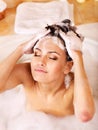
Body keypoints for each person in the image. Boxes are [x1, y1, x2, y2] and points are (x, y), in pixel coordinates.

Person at [0, 19, 95, 122]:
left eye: (52, 57)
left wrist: (78, 57)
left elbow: (85, 115)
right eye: (37, 54)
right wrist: (20, 49)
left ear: (67, 67)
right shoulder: (26, 74)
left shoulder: (74, 87)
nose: (41, 62)